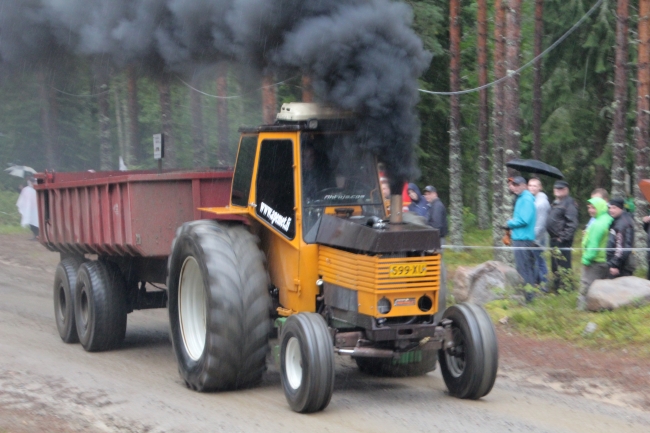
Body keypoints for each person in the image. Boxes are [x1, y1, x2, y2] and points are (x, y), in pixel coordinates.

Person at [578, 197, 613, 309]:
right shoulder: (608, 219)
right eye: (589, 207)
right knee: (603, 288)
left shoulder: (598, 225)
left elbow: (593, 245)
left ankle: (581, 308)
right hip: (606, 260)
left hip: (595, 261)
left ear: (600, 208)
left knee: (586, 286)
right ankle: (604, 309)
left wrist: (586, 261)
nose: (591, 210)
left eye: (594, 208)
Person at [505, 176, 537, 293]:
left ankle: (528, 295)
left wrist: (510, 223)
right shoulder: (521, 198)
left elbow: (524, 220)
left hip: (523, 238)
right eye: (514, 185)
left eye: (518, 185)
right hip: (520, 237)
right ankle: (527, 294)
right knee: (524, 267)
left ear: (524, 185)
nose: (515, 187)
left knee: (524, 268)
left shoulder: (526, 199)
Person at [546, 180, 579, 291]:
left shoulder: (569, 203)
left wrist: (563, 237)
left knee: (564, 265)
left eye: (561, 189)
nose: (558, 191)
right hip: (554, 238)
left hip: (562, 240)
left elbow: (572, 224)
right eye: (556, 189)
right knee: (555, 265)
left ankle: (567, 288)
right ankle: (556, 287)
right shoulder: (556, 203)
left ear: (566, 190)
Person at [527, 177, 550, 289]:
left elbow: (540, 224)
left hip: (538, 236)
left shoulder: (541, 203)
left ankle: (544, 285)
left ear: (540, 187)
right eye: (530, 185)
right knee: (534, 260)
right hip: (534, 235)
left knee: (540, 260)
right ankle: (537, 282)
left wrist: (533, 237)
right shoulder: (533, 199)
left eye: (534, 186)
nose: (532, 188)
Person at [606, 197, 635, 278]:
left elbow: (622, 248)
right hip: (618, 263)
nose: (611, 210)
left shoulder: (622, 224)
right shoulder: (617, 220)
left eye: (614, 208)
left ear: (621, 208)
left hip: (621, 267)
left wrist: (614, 265)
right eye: (610, 208)